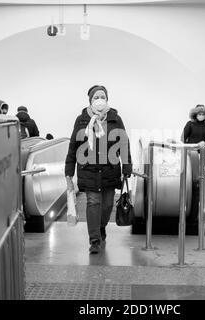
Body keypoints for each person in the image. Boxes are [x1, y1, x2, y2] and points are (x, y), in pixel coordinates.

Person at [65, 85, 132, 254]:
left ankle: (101, 227)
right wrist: (69, 170)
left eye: (103, 96)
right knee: (93, 202)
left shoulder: (115, 119)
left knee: (108, 204)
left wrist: (127, 165)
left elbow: (124, 143)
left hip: (110, 169)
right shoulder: (81, 120)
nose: (100, 100)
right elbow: (73, 146)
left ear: (107, 99)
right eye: (96, 97)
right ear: (90, 100)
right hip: (88, 169)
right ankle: (94, 239)